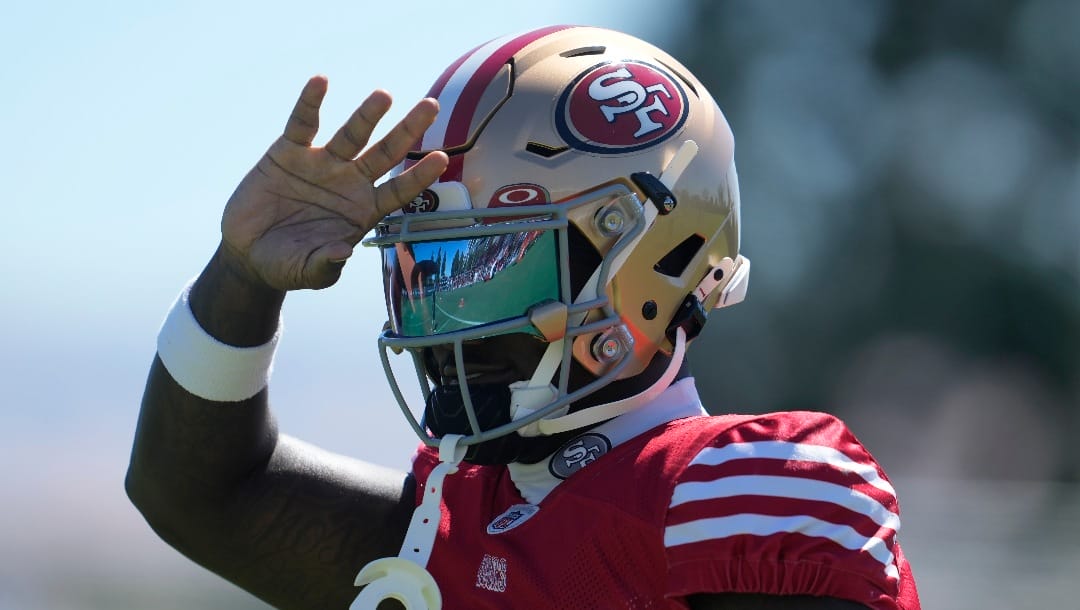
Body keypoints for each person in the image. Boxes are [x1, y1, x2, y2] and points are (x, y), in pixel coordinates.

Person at [127, 25, 920, 610]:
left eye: (492, 265)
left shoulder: (742, 495)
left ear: (649, 262)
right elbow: (196, 490)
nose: (448, 322)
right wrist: (240, 277)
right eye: (430, 269)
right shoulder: (457, 519)